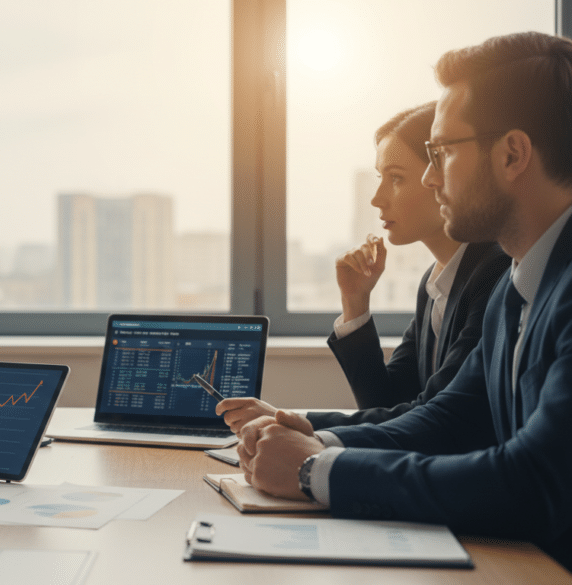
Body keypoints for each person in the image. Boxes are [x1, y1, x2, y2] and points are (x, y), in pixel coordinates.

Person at [227, 31, 572, 569]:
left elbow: (534, 482)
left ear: (512, 154)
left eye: (441, 153)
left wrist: (314, 471)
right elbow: (451, 418)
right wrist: (323, 441)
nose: (432, 178)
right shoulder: (517, 284)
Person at [220, 103, 509, 432]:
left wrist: (291, 420)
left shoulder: (495, 274)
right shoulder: (434, 283)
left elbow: (431, 419)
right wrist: (355, 303)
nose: (377, 198)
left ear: (441, 176)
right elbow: (387, 405)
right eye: (379, 178)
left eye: (396, 178)